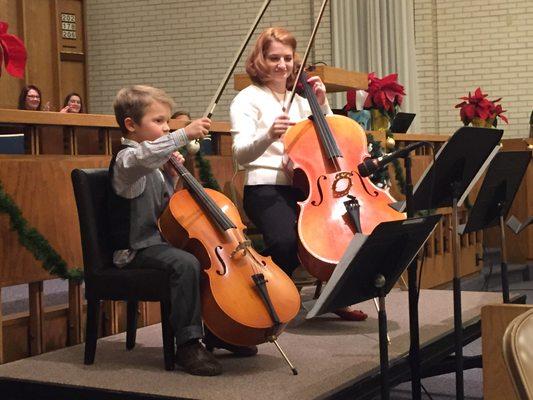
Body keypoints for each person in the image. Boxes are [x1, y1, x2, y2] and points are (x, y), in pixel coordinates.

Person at [109, 85, 256, 377]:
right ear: (130, 125)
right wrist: (183, 133)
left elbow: (168, 213)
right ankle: (188, 344)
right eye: (159, 121)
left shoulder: (156, 162)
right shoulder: (127, 162)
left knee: (202, 258)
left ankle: (216, 330)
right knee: (185, 262)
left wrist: (173, 177)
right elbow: (141, 159)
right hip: (134, 250)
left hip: (158, 244)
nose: (166, 128)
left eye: (167, 122)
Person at [230, 27, 367, 321]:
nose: (282, 65)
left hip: (307, 187)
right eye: (274, 57)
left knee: (338, 232)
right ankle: (271, 288)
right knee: (285, 242)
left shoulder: (303, 100)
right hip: (264, 186)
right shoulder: (247, 99)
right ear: (260, 60)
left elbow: (335, 139)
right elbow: (241, 154)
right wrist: (268, 135)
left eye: (288, 58)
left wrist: (322, 103)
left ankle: (335, 297)